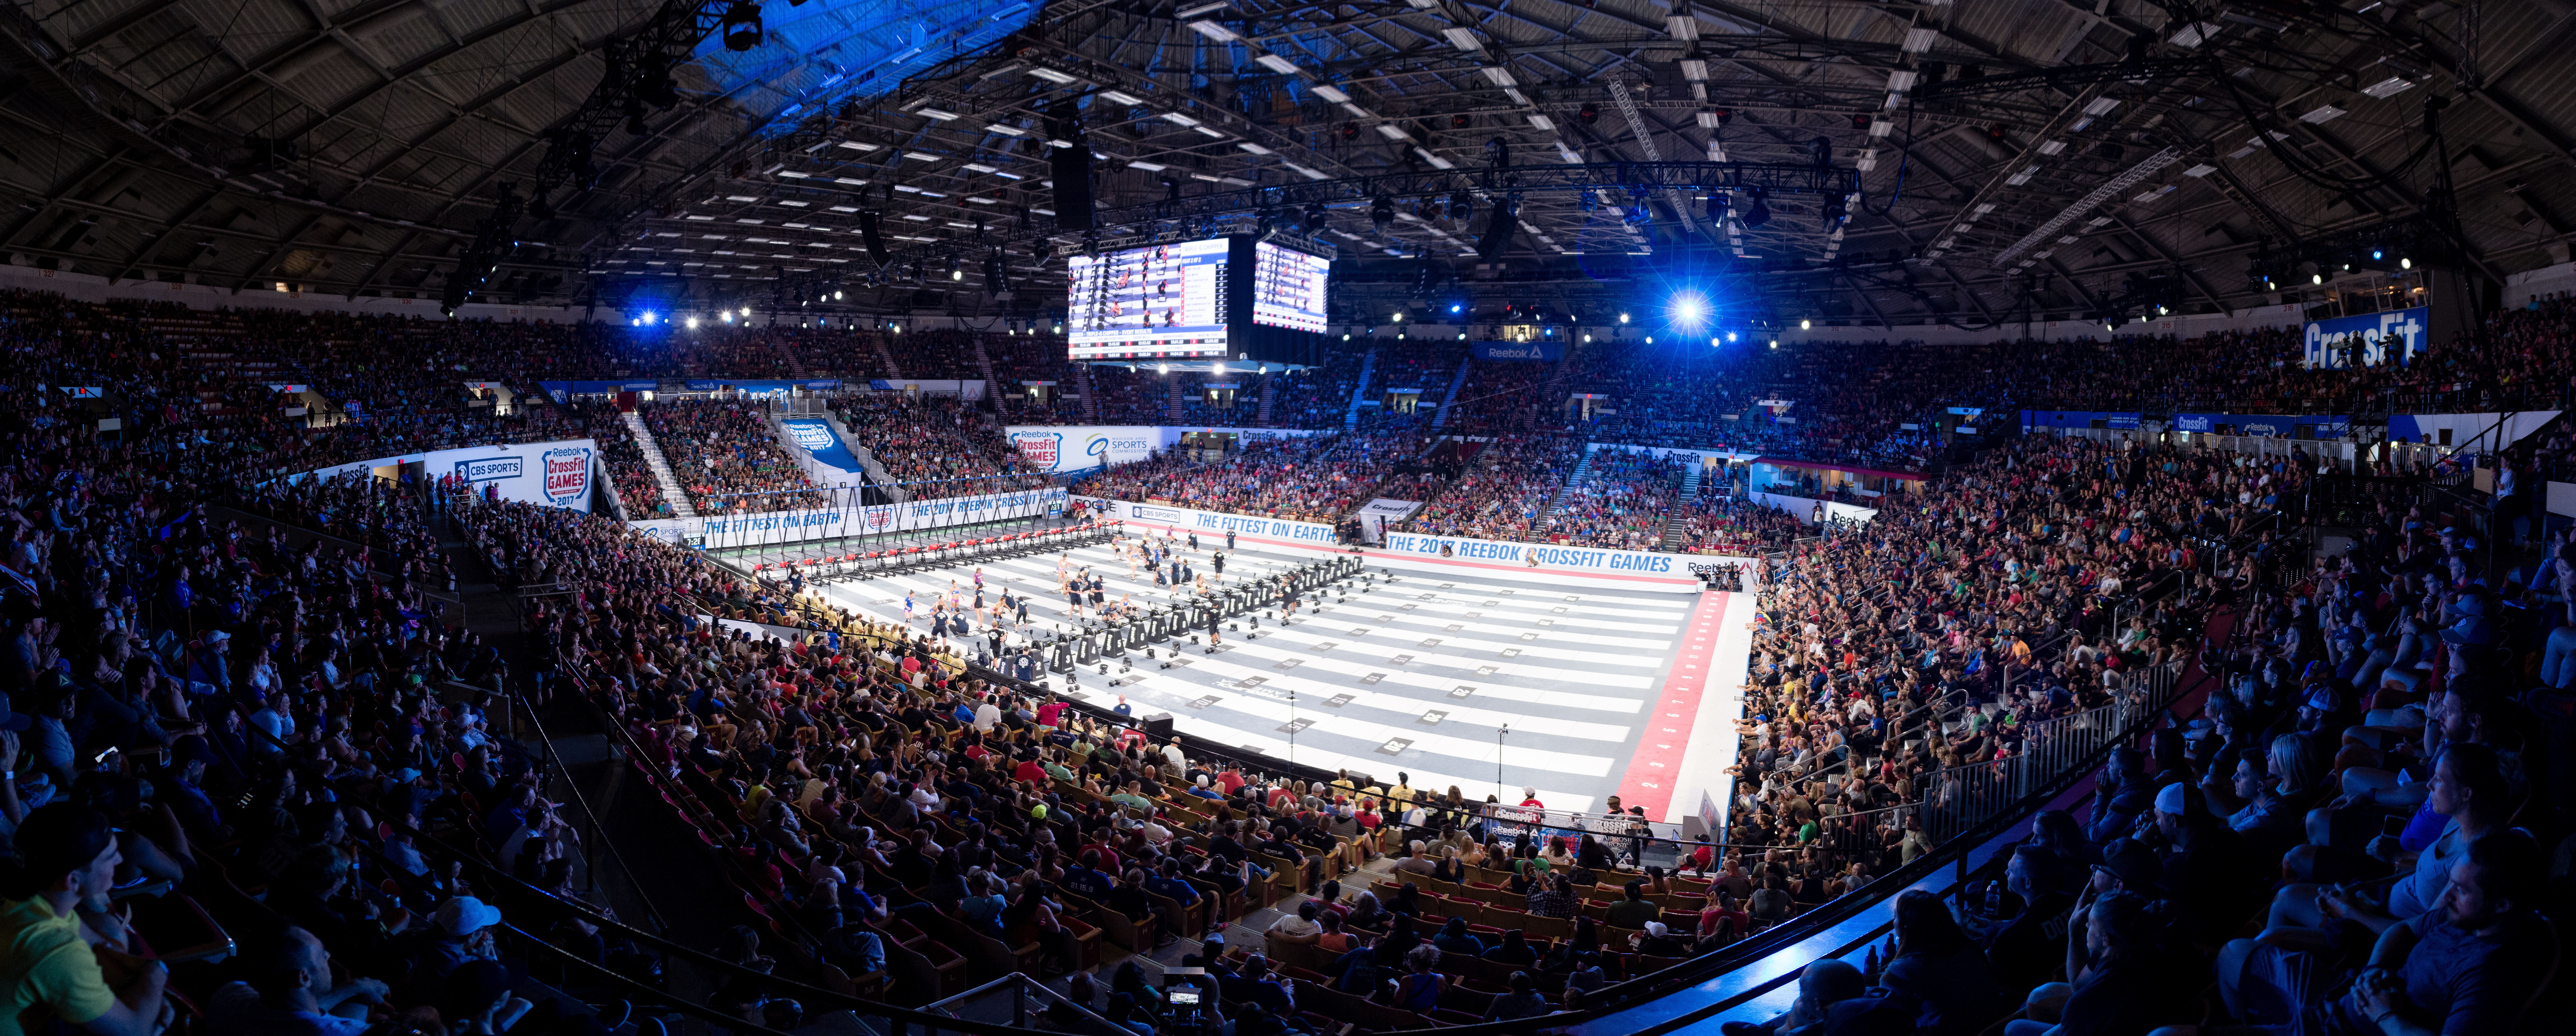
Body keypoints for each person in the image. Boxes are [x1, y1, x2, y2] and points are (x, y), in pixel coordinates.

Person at [2155, 830, 2553, 1036]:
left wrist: (2387, 1017)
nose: (2446, 895)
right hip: (2344, 998)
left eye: (2461, 890)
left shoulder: (2490, 972)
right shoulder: (2465, 915)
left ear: (2503, 904)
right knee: (2233, 953)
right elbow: (2400, 931)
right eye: (2451, 883)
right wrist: (2373, 969)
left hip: (2349, 1026)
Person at [0, 806, 173, 1036]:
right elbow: (135, 1031)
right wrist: (156, 974)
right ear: (73, 880)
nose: (120, 860)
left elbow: (98, 945)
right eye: (110, 857)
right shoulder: (56, 949)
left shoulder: (31, 891)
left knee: (108, 928)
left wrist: (144, 994)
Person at [205, 926, 388, 1035]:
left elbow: (290, 1012)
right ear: (304, 977)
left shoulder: (229, 994)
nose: (328, 955)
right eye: (321, 954)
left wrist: (353, 988)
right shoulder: (345, 1032)